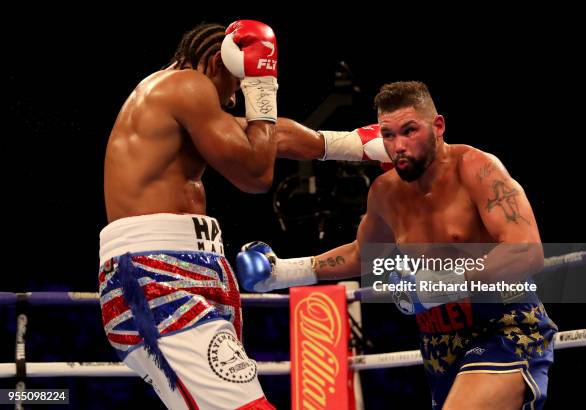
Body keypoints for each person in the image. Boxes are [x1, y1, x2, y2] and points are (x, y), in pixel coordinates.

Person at [236, 81, 558, 409]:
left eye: (409, 131)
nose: (398, 146)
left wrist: (444, 283)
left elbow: (527, 250)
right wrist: (283, 273)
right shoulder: (385, 192)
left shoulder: (477, 169)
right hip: (438, 344)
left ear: (438, 126)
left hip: (502, 327)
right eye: (388, 135)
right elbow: (362, 255)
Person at [100, 20, 279, 409]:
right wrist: (262, 86)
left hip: (193, 267)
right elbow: (256, 173)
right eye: (236, 85)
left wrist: (354, 145)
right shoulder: (187, 85)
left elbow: (272, 134)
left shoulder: (178, 104)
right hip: (156, 276)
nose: (233, 100)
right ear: (218, 61)